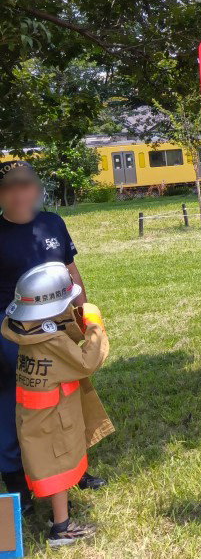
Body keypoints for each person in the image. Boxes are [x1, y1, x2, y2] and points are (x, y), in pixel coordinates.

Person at [0, 161, 107, 515]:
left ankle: (75, 470)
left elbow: (70, 271)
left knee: (69, 399)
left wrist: (83, 311)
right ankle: (19, 488)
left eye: (26, 185)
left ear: (37, 189)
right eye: (10, 187)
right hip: (16, 333)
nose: (19, 194)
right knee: (20, 408)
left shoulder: (52, 224)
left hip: (58, 324)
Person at [1, 262, 113, 547]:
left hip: (34, 419)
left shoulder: (27, 330)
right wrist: (95, 326)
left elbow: (59, 324)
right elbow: (87, 361)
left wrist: (73, 318)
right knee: (59, 470)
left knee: (48, 465)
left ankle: (57, 514)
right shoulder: (52, 342)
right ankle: (61, 528)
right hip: (54, 420)